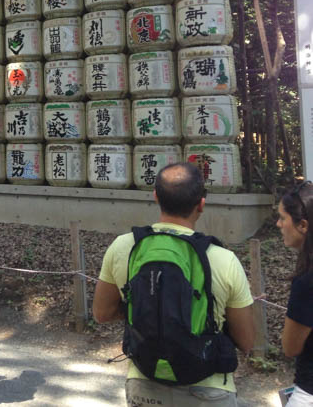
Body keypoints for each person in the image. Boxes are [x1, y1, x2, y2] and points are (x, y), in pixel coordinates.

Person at [92, 162, 255, 406]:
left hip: (144, 382)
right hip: (207, 387)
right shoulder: (224, 259)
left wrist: (147, 311)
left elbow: (101, 314)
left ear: (156, 197)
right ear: (201, 203)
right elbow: (247, 341)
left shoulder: (124, 247)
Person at [277, 180, 313, 406]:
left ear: (303, 225)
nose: (279, 224)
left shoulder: (306, 284)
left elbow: (290, 348)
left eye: (283, 218)